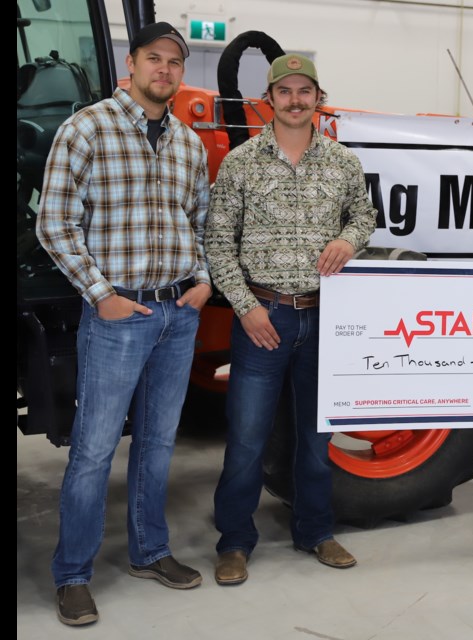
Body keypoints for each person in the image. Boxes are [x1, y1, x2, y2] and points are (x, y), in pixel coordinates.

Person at [36, 23, 211, 626]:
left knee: (159, 444)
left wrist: (204, 280)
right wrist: (101, 295)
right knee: (93, 450)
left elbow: (201, 222)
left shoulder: (188, 143)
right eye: (153, 58)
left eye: (174, 63)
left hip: (177, 314)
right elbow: (54, 222)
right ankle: (74, 574)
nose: (164, 70)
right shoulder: (87, 127)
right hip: (119, 315)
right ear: (131, 64)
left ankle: (150, 550)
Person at [205, 54, 377, 586]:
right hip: (264, 319)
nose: (296, 100)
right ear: (270, 99)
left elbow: (364, 213)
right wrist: (247, 306)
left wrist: (350, 239)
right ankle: (234, 542)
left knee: (316, 437)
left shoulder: (343, 162)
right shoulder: (241, 162)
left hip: (325, 319)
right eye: (286, 92)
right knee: (247, 440)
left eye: (306, 91)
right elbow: (217, 242)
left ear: (317, 98)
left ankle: (316, 531)